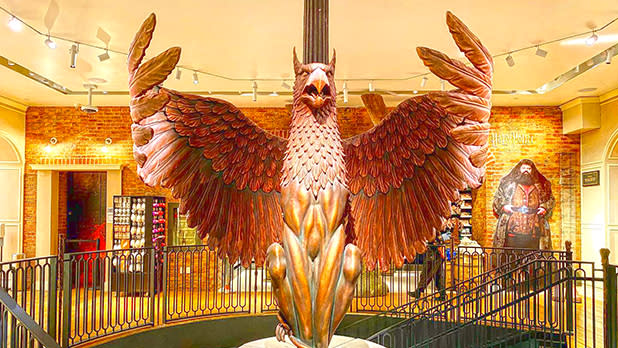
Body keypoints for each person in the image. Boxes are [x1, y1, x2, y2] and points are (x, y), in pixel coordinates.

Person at [492, 159, 555, 250]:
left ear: (532, 171)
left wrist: (544, 208)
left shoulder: (541, 186)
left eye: (529, 168)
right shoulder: (508, 184)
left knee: (532, 258)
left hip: (534, 228)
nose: (526, 170)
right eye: (523, 168)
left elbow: (550, 200)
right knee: (511, 257)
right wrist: (504, 207)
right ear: (519, 170)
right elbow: (497, 198)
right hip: (512, 228)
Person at [408, 223, 453, 301]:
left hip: (435, 251)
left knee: (427, 272)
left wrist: (439, 239)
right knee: (438, 274)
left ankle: (418, 291)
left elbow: (449, 234)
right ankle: (442, 295)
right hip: (434, 250)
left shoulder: (440, 222)